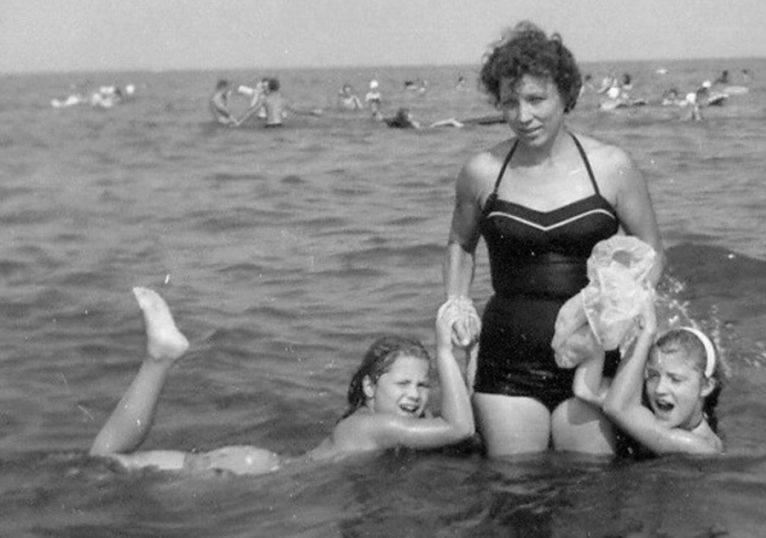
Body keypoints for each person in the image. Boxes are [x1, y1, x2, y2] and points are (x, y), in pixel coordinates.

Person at [441, 21, 666, 458]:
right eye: (509, 103)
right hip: (507, 361)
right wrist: (456, 302)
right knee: (514, 493)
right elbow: (459, 245)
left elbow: (653, 250)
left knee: (590, 495)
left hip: (593, 358)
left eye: (536, 100)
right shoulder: (481, 171)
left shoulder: (613, 166)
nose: (522, 116)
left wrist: (615, 306)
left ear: (566, 94)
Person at [89, 287, 475, 476]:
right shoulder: (377, 426)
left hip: (257, 464)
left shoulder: (385, 425)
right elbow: (458, 427)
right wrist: (445, 350)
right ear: (371, 389)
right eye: (402, 383)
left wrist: (471, 353)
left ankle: (159, 358)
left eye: (423, 385)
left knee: (108, 462)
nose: (414, 394)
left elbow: (462, 423)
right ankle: (159, 357)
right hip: (253, 473)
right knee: (102, 463)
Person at [573, 294, 723, 456]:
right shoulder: (643, 407)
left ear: (706, 386)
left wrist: (647, 333)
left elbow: (616, 407)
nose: (659, 389)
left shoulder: (703, 447)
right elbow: (585, 390)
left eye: (675, 379)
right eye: (653, 376)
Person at [235, 77, 322, 128]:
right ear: (278, 87)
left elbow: (251, 112)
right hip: (279, 126)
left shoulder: (265, 99)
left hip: (268, 126)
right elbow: (297, 110)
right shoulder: (281, 99)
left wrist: (239, 123)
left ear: (269, 87)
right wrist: (312, 112)